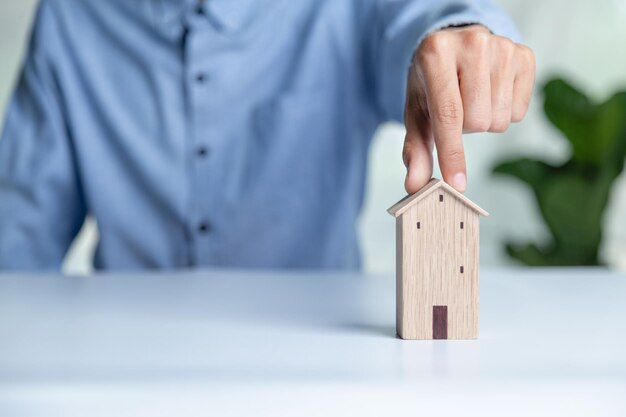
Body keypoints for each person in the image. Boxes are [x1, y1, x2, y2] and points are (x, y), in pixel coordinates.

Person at [0, 0, 534, 270]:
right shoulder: (71, 17)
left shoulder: (342, 9)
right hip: (125, 376)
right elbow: (16, 244)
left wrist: (465, 37)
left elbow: (429, 20)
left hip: (320, 372)